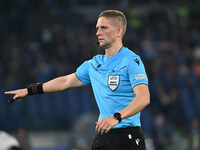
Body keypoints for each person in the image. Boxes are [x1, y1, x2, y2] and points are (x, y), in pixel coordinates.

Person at [5, 10, 150, 150]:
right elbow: (65, 82)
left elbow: (143, 98)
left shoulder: (131, 60)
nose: (98, 32)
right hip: (103, 136)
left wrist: (116, 117)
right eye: (97, 28)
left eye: (104, 28)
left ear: (118, 31)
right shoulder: (94, 64)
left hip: (127, 136)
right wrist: (30, 91)